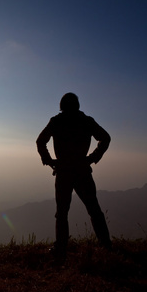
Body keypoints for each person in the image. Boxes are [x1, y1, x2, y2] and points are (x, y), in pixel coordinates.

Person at [36, 92, 112, 261]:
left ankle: (61, 249)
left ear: (62, 106)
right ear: (77, 105)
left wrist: (49, 161)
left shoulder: (57, 121)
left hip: (63, 172)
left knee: (62, 213)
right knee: (94, 210)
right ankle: (106, 244)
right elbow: (105, 138)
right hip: (82, 170)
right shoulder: (86, 121)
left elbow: (40, 141)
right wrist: (92, 158)